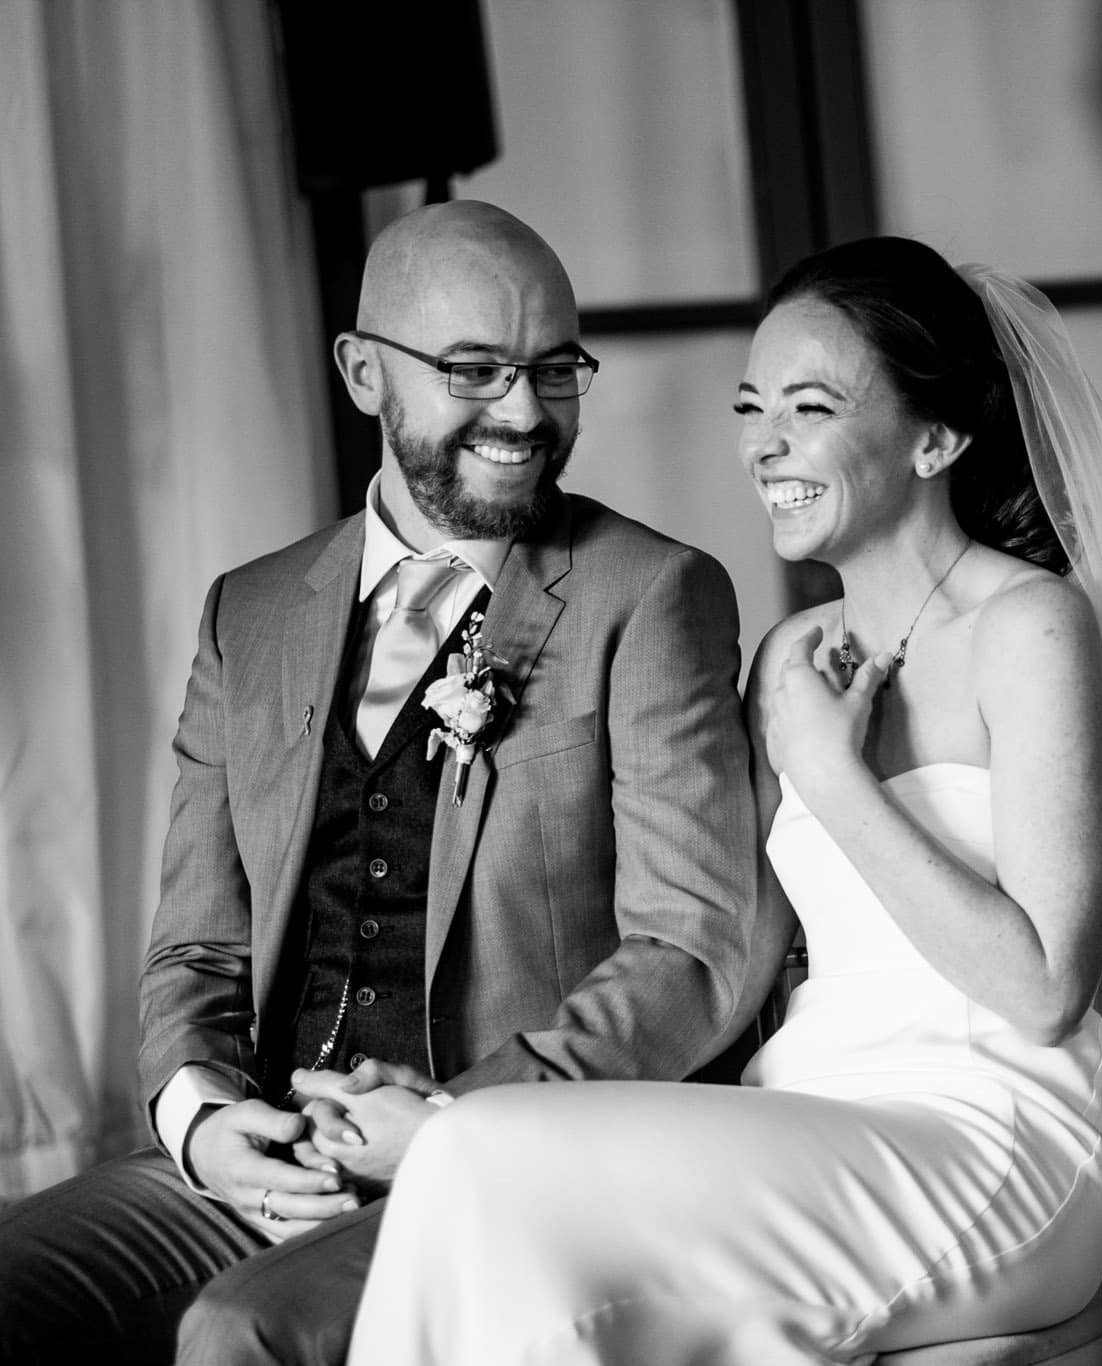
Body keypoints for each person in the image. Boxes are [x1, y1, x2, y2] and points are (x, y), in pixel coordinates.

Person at [341, 235, 1102, 1364]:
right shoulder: (790, 656)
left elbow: (1042, 989)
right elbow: (728, 960)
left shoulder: (1027, 628)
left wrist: (835, 779)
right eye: (751, 407)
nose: (764, 445)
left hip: (989, 1133)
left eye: (809, 406)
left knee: (476, 1176)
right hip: (806, 1105)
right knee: (469, 1166)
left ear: (933, 439)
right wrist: (471, 1096)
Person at [0, 200, 771, 1366]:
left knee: (236, 1333)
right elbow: (195, 950)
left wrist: (450, 1124)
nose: (523, 411)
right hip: (255, 1159)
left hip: (503, 1158)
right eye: (474, 369)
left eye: (554, 369)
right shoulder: (248, 614)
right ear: (364, 372)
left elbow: (697, 947)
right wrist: (206, 1125)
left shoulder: (652, 594)